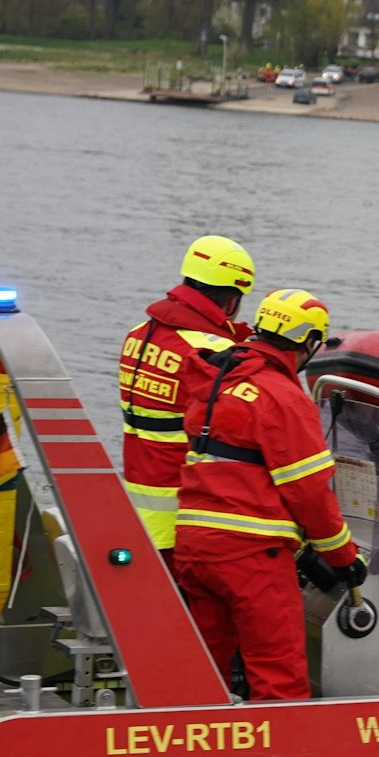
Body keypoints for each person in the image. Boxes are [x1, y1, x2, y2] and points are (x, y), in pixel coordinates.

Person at [173, 288, 364, 700]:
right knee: (277, 672)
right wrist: (344, 558)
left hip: (194, 547)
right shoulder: (282, 396)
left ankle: (197, 747)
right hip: (250, 556)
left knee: (204, 666)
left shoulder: (219, 380)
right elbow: (310, 493)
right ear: (309, 343)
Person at [118, 235, 254, 560]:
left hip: (135, 508)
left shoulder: (137, 335)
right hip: (182, 516)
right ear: (232, 301)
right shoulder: (215, 352)